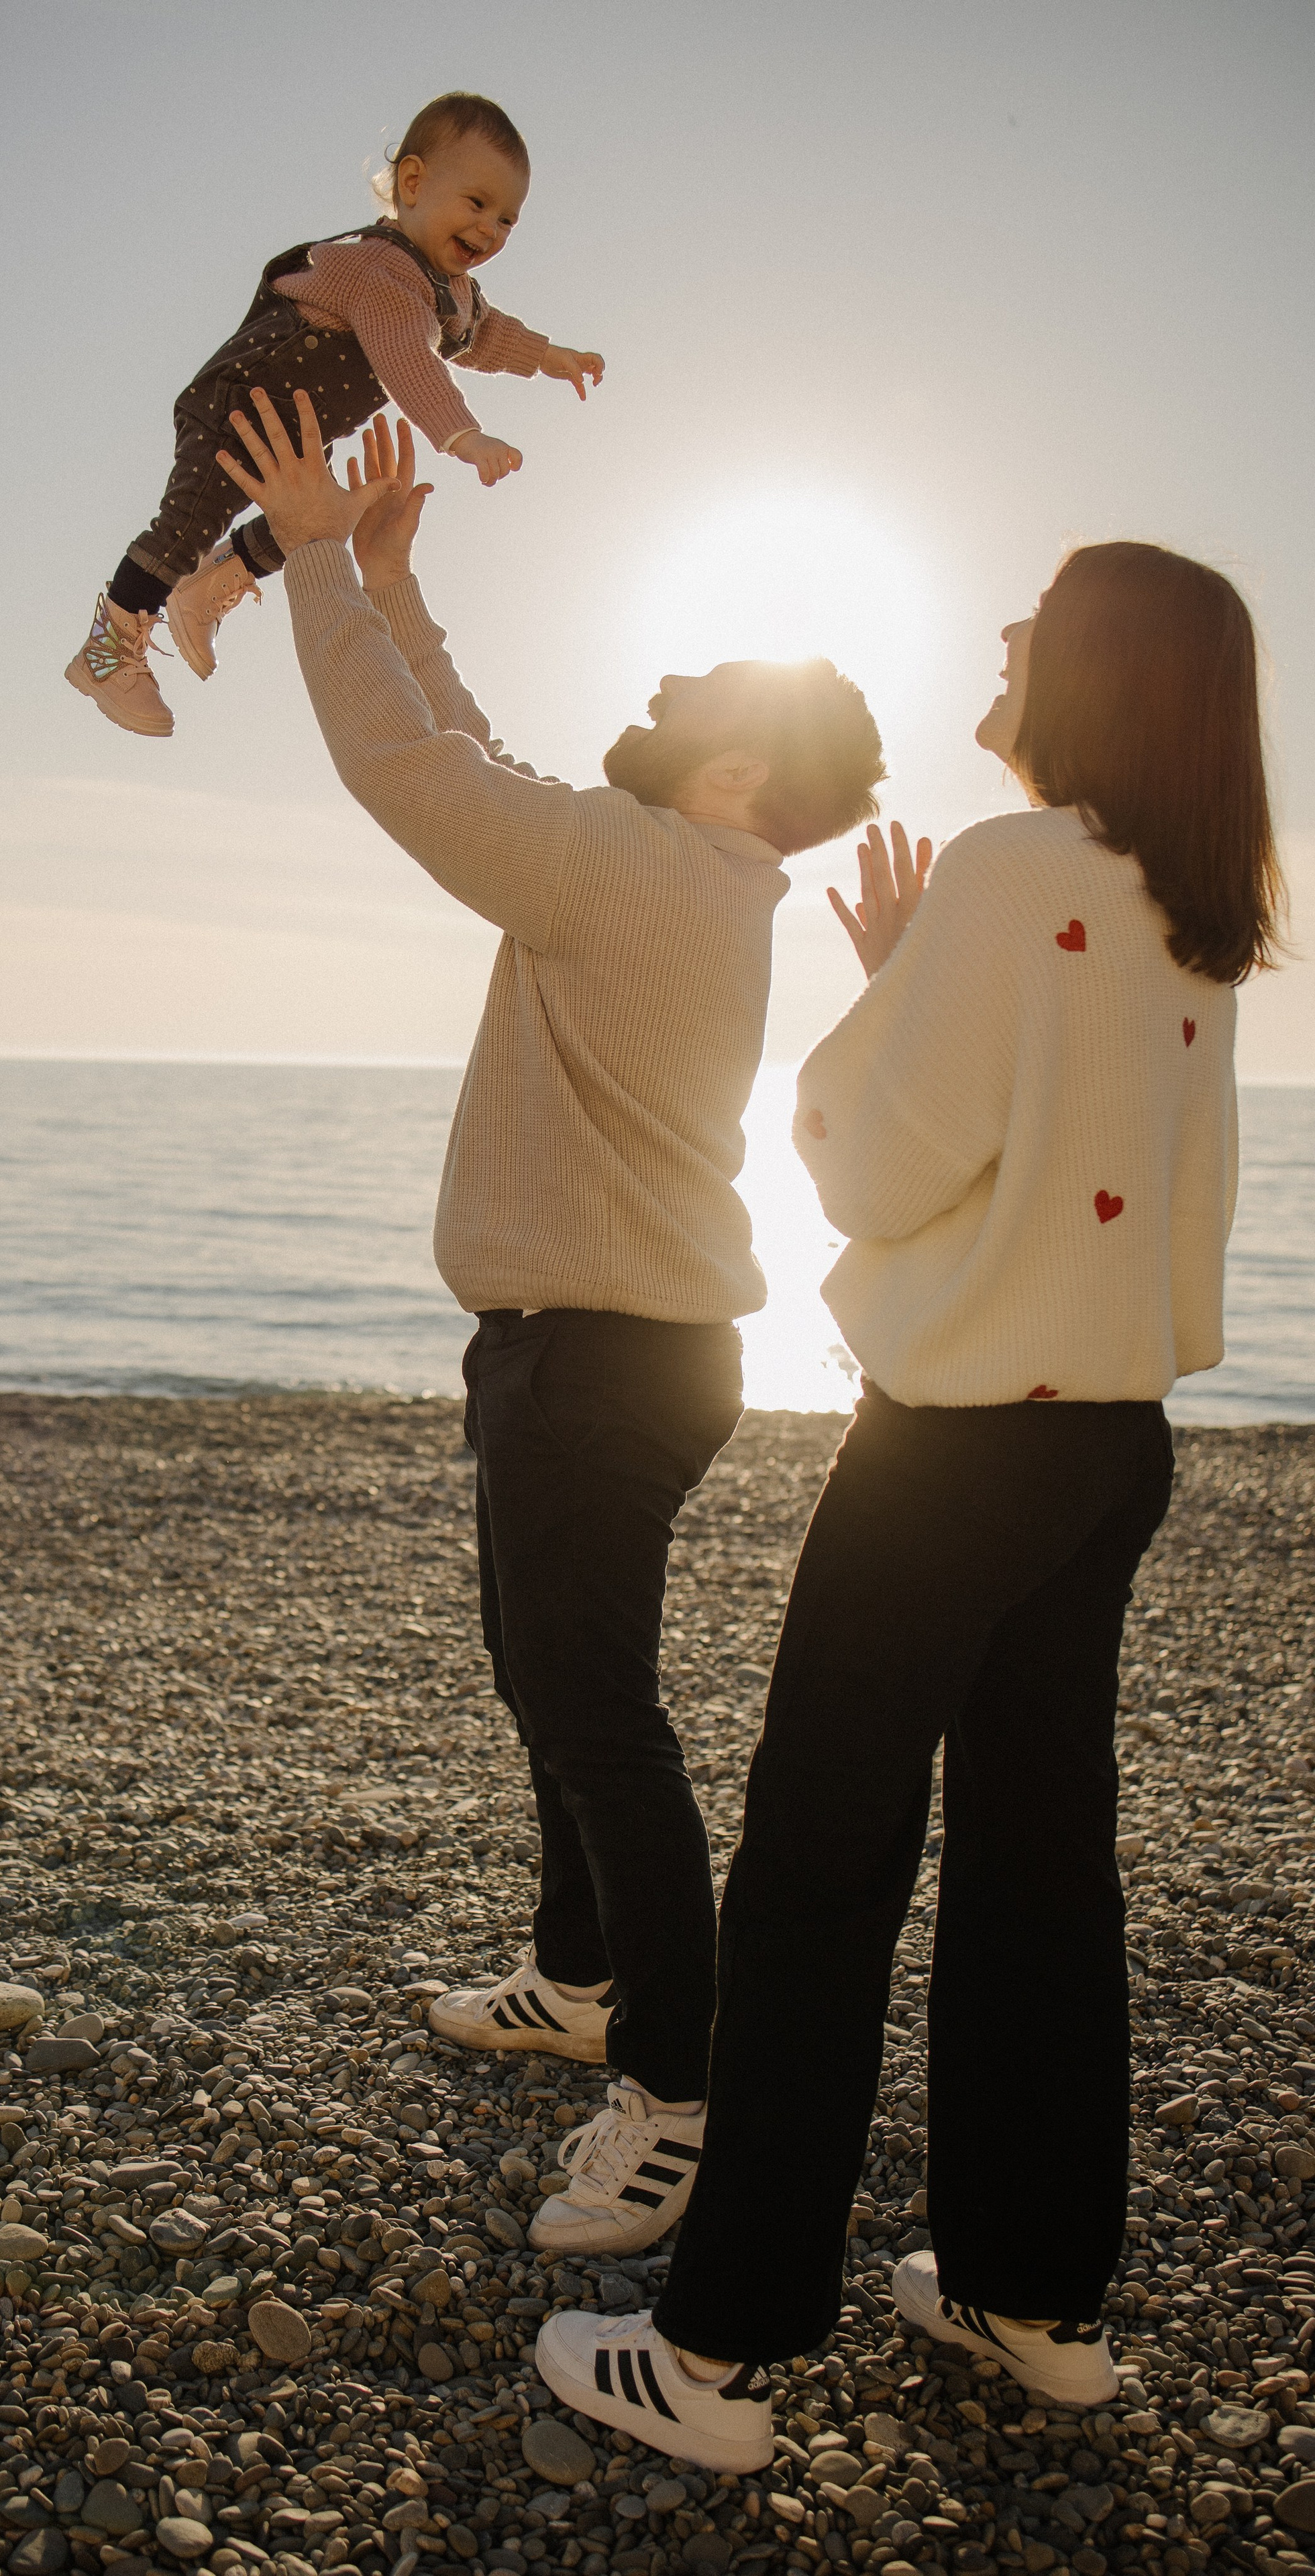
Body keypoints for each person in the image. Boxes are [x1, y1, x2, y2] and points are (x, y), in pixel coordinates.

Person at [535, 539, 1285, 2468]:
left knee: (814, 1879)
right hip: (1109, 1450)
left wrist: (885, 1004)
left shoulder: (1016, 868)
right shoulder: (1196, 899)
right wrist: (918, 978)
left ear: (1102, 671)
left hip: (955, 1452)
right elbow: (1074, 1139)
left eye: (1043, 618)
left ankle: (710, 2359)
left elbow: (874, 1162)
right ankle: (1033, 2299)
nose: (1012, 635)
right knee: (1044, 1870)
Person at [215, 389, 886, 2260]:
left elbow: (414, 779)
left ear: (741, 778)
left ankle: (672, 2090)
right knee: (560, 1685)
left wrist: (323, 563)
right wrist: (402, 596)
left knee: (592, 1713)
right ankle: (582, 1975)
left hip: (596, 1356)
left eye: (704, 694)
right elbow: (485, 755)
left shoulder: (629, 867)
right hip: (616, 1349)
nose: (668, 685)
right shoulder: (678, 865)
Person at [64, 91, 602, 738]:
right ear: (412, 183)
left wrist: (548, 355)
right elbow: (408, 356)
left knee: (316, 525)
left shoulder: (451, 293)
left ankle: (213, 580)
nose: (490, 229)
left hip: (290, 437)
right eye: (478, 204)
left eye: (508, 221)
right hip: (237, 408)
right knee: (183, 529)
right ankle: (104, 653)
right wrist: (462, 434)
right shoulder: (381, 268)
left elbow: (482, 335)